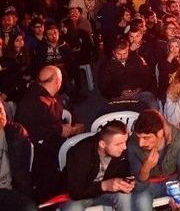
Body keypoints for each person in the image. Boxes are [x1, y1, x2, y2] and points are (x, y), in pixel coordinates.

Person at [16, 66, 84, 200]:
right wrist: (60, 130)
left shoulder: (47, 96)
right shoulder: (33, 103)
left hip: (50, 143)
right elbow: (28, 131)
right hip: (41, 155)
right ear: (58, 81)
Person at [128, 109, 180, 211]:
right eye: (139, 137)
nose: (141, 143)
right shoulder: (133, 144)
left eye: (146, 138)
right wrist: (146, 169)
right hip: (148, 184)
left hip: (172, 180)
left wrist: (179, 189)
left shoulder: (177, 138)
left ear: (160, 133)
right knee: (141, 201)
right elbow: (138, 187)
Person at [61, 120, 133, 211]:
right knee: (72, 209)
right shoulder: (79, 153)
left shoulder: (121, 150)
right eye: (119, 144)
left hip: (106, 193)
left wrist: (126, 183)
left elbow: (125, 173)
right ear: (102, 144)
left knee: (126, 198)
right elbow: (75, 192)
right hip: (79, 196)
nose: (124, 147)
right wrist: (104, 185)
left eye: (125, 142)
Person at [97, 38, 158, 111]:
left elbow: (146, 76)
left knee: (150, 100)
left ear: (128, 50)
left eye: (125, 53)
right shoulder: (106, 66)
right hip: (118, 97)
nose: (122, 57)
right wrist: (120, 93)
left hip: (138, 93)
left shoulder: (136, 58)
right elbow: (104, 87)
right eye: (119, 54)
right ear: (113, 52)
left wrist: (140, 88)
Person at [0, 98, 37, 211]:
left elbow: (22, 173)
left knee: (30, 207)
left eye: (0, 111)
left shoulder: (15, 133)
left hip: (9, 189)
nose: (0, 116)